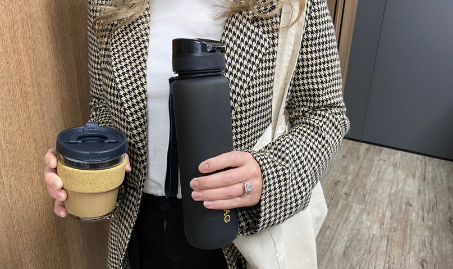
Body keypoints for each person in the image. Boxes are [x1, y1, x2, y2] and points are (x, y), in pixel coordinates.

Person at [44, 0, 350, 268]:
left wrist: (269, 176)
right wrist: (86, 168)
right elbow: (104, 108)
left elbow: (324, 112)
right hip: (138, 228)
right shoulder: (107, 1)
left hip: (240, 232)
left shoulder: (289, 3)